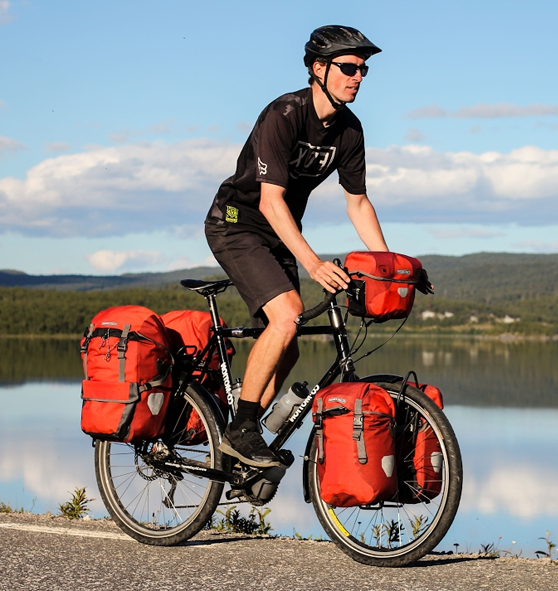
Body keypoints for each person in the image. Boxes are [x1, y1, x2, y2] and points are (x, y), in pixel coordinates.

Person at [204, 25, 389, 468]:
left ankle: (238, 440)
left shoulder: (349, 131)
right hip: (237, 223)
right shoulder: (284, 114)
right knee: (287, 316)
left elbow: (358, 203)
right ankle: (243, 428)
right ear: (317, 69)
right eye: (349, 67)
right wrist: (312, 263)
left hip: (280, 230)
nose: (358, 76)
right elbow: (270, 200)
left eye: (363, 69)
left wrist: (390, 263)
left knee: (291, 344)